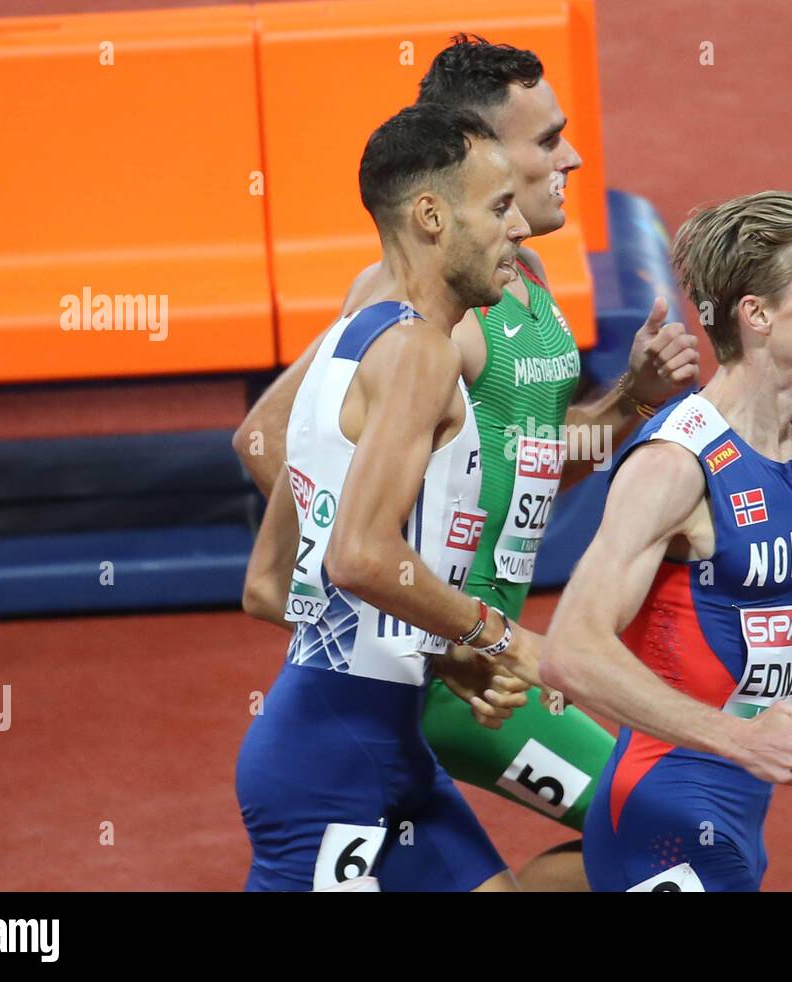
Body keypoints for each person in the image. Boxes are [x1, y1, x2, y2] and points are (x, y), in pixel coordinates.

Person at [235, 35, 700, 891]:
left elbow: (528, 466)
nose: (572, 154)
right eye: (546, 138)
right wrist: (438, 621)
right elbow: (273, 440)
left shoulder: (515, 280)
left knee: (669, 834)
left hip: (432, 678)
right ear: (475, 158)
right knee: (676, 833)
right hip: (441, 676)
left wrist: (629, 404)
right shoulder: (407, 315)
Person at [235, 103, 538, 892]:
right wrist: (498, 635)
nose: (522, 230)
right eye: (500, 208)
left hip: (376, 748)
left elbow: (272, 587)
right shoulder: (417, 354)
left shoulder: (348, 339)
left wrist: (441, 655)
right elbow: (362, 556)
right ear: (432, 215)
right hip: (333, 772)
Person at [542, 191, 792, 891]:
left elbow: (754, 627)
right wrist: (744, 740)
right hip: (664, 816)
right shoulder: (675, 465)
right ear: (758, 315)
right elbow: (571, 650)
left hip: (734, 806)